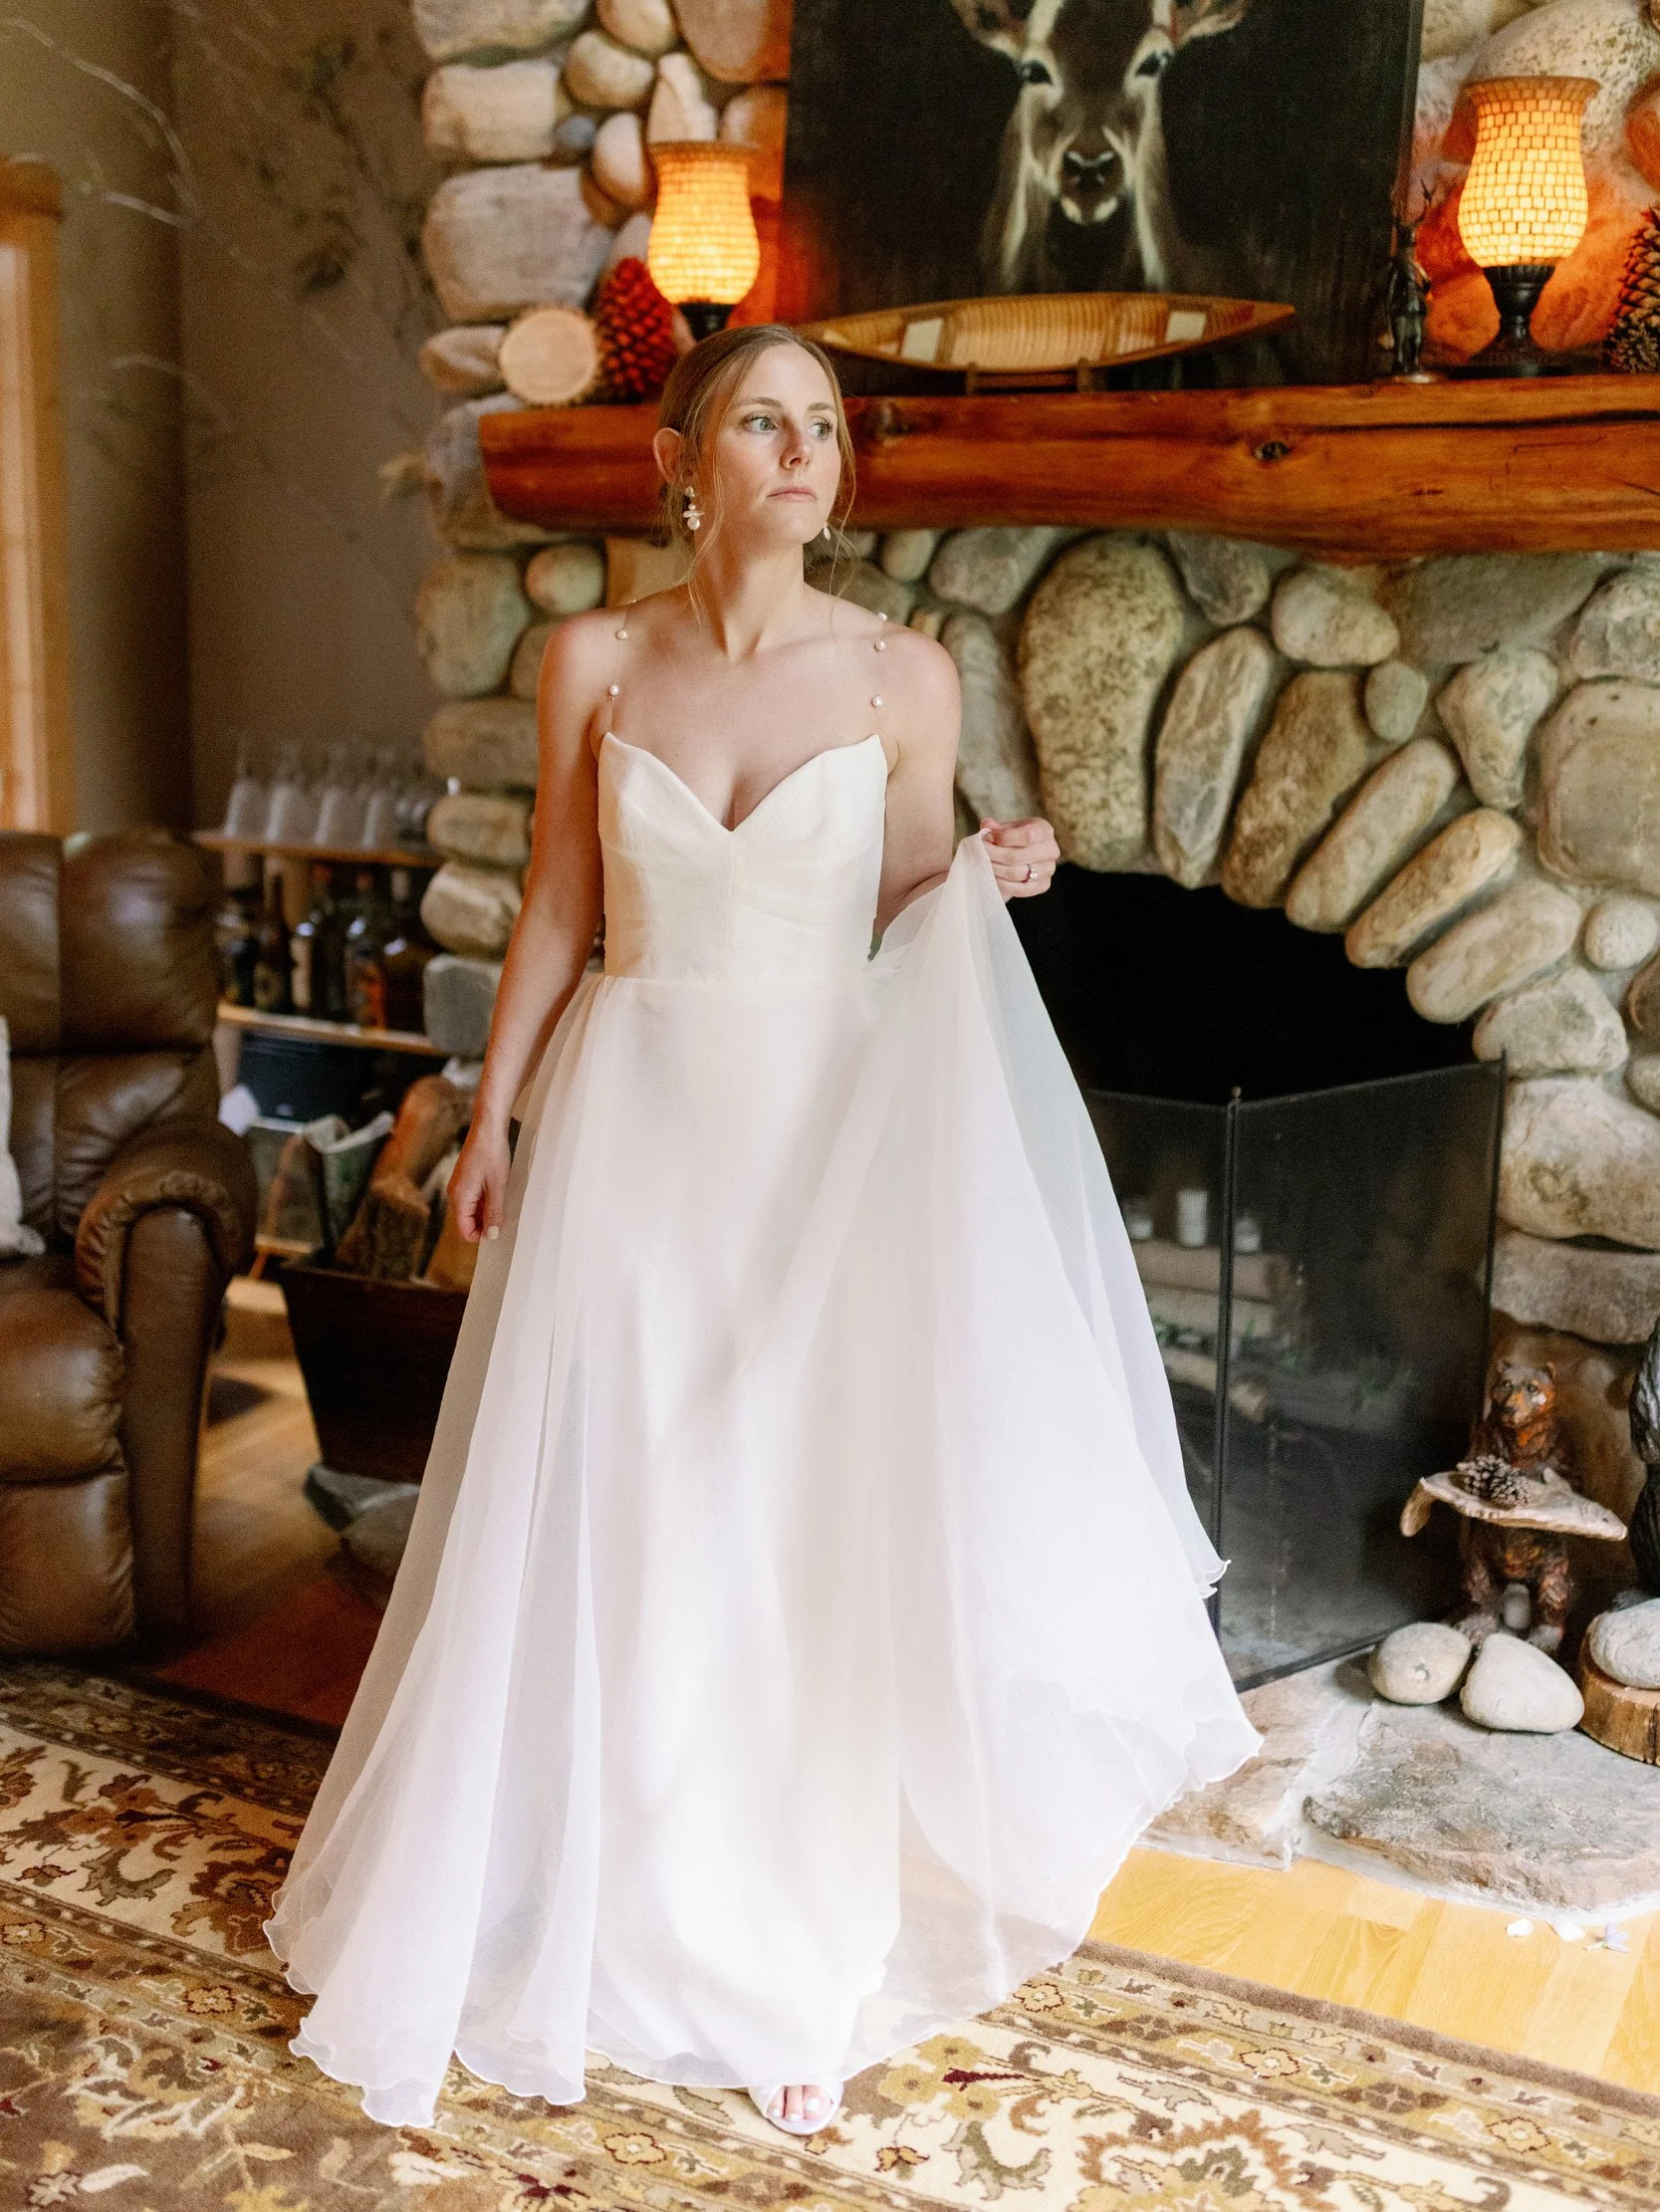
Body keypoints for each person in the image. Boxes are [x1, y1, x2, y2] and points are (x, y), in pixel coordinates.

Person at [266, 325, 1258, 2139]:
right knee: (634, 1520)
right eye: (760, 423)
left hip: (818, 1152)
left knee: (788, 1536)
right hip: (629, 1137)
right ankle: (607, 1901)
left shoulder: (901, 676)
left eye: (821, 427)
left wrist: (988, 878)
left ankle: (793, 1959)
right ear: (682, 460)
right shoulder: (593, 660)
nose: (800, 452)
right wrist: (490, 1115)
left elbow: (903, 908)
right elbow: (560, 898)